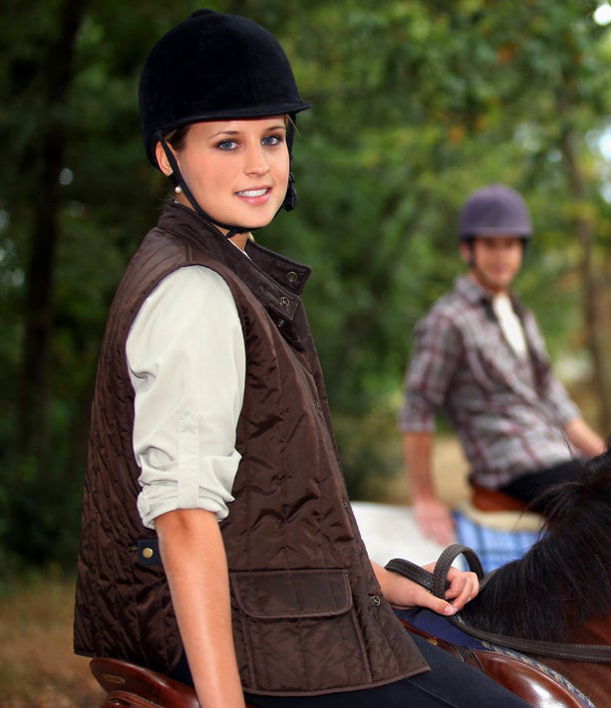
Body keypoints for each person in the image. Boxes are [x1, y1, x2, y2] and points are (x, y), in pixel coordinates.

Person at [72, 11, 527, 708]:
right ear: (168, 154)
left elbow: (274, 515)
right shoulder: (195, 290)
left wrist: (385, 582)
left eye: (273, 138)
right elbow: (186, 521)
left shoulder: (237, 270)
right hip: (246, 639)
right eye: (227, 142)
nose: (258, 165)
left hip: (281, 610)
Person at [399, 184, 606, 544]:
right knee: (602, 510)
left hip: (554, 451)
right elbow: (418, 409)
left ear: (521, 250)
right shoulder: (448, 320)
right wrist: (425, 497)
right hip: (509, 464)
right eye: (490, 245)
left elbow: (556, 402)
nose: (501, 256)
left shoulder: (520, 314)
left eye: (509, 245)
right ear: (468, 249)